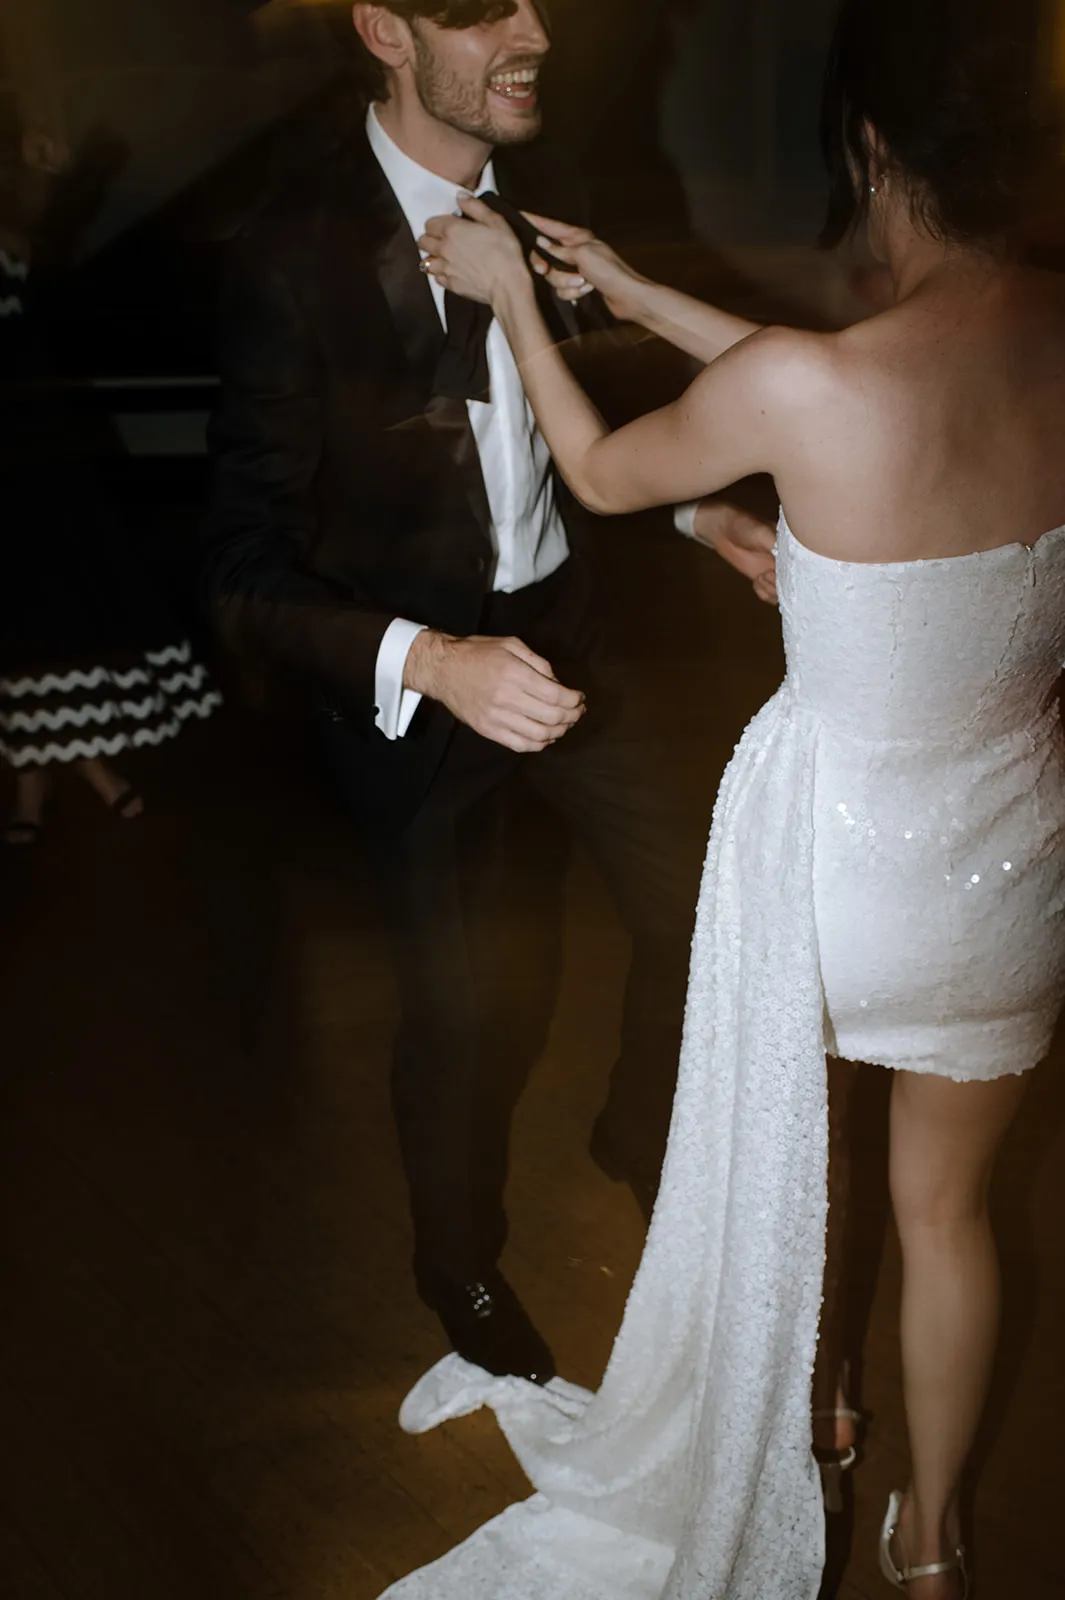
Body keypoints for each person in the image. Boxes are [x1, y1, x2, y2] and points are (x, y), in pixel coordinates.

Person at [378, 0, 1065, 1596]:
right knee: (950, 1213)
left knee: (806, 1198)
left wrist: (522, 309)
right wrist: (624, 285)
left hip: (837, 877)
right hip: (1012, 863)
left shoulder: (820, 384)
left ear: (872, 152)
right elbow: (793, 382)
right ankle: (934, 1538)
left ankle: (813, 1420)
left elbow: (615, 472)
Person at [203, 0, 771, 1388]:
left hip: (572, 635)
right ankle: (453, 1261)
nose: (535, 31)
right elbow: (238, 574)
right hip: (420, 682)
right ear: (384, 31)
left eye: (537, 2)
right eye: (482, 9)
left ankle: (639, 1138)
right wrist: (436, 662)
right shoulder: (291, 248)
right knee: (469, 1005)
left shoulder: (548, 195)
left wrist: (691, 521)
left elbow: (555, 441)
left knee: (711, 909)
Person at [0, 119, 221, 844]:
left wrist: (67, 164)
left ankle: (66, 775)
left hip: (37, 467)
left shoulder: (16, 241)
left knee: (51, 609)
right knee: (20, 621)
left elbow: (48, 221)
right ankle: (47, 781)